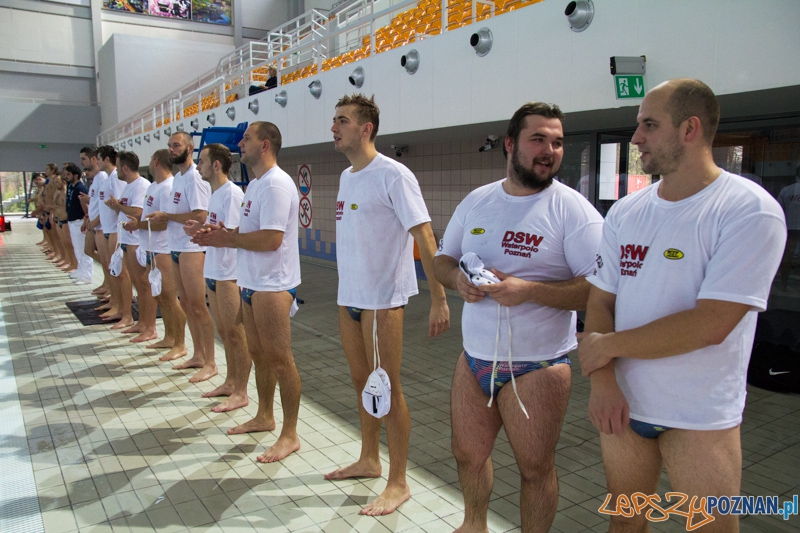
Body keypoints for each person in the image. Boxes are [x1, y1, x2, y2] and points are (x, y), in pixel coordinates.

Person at [578, 78, 786, 532]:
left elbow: (709, 325)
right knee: (625, 523)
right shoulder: (627, 212)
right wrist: (604, 382)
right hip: (625, 407)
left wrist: (606, 347)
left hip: (699, 417)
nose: (636, 138)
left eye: (649, 125)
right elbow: (600, 301)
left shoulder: (748, 211)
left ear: (690, 129)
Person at [433, 102, 603, 533]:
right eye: (538, 139)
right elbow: (441, 259)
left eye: (558, 142)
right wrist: (457, 281)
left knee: (534, 469)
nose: (550, 150)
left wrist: (528, 291)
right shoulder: (478, 201)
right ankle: (474, 524)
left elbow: (600, 290)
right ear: (510, 144)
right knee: (467, 453)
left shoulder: (573, 211)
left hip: (538, 364)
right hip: (474, 358)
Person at [324, 94, 450, 516]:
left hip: (382, 302)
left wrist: (438, 298)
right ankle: (369, 458)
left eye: (342, 120)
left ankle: (398, 481)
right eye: (334, 120)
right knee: (363, 385)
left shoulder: (393, 175)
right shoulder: (346, 177)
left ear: (366, 129)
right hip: (349, 299)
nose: (334, 127)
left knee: (388, 390)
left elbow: (425, 237)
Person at [193, 122, 302, 462]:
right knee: (259, 354)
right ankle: (265, 416)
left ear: (265, 145)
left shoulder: (276, 185)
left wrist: (229, 239)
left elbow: (272, 239)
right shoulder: (255, 185)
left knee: (282, 361)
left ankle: (290, 434)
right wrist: (224, 232)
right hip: (252, 282)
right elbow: (250, 231)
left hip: (274, 284)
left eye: (247, 138)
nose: (241, 143)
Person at [184, 143, 249, 412]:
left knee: (236, 334)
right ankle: (230, 381)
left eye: (202, 161)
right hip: (213, 269)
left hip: (229, 272)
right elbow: (218, 229)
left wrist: (207, 234)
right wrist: (201, 229)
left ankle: (242, 390)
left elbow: (234, 234)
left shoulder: (232, 194)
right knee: (224, 332)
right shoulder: (215, 194)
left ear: (217, 165)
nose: (197, 166)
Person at [147, 132, 215, 383]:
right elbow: (178, 212)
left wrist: (166, 216)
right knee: (186, 304)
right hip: (176, 246)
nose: (172, 150)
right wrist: (164, 217)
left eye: (176, 145)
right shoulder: (178, 178)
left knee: (198, 306)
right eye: (170, 146)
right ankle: (197, 354)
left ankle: (210, 361)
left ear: (190, 147)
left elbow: (200, 215)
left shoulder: (195, 178)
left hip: (191, 248)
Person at [128, 150, 187, 359]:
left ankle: (180, 343)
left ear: (155, 161)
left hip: (163, 248)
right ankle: (169, 336)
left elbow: (162, 223)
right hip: (150, 247)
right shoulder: (153, 186)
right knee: (160, 296)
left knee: (170, 298)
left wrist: (137, 225)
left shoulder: (168, 187)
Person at [106, 151, 155, 341]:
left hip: (136, 241)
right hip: (127, 240)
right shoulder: (128, 186)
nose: (116, 170)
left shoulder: (141, 186)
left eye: (117, 167)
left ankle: (150, 326)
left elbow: (137, 212)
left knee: (144, 285)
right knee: (138, 285)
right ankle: (142, 322)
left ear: (125, 168)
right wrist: (117, 205)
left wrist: (117, 206)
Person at [97, 146, 129, 323]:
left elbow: (120, 206)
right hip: (109, 229)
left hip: (116, 230)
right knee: (114, 271)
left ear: (107, 159)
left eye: (99, 158)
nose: (97, 162)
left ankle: (124, 311)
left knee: (120, 273)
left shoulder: (116, 178)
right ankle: (116, 303)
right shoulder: (109, 178)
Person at [80, 146, 111, 298]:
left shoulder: (104, 177)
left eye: (83, 159)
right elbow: (96, 202)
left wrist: (96, 219)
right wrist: (88, 217)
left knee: (108, 261)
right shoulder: (97, 179)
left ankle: (111, 285)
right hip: (95, 223)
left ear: (94, 159)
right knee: (89, 250)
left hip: (102, 225)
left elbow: (106, 203)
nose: (82, 162)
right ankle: (108, 282)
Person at [61, 162, 92, 284]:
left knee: (83, 250)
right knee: (77, 249)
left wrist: (86, 219)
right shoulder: (71, 187)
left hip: (80, 221)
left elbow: (85, 206)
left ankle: (87, 276)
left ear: (75, 175)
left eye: (68, 174)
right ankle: (81, 270)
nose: (66, 176)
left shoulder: (80, 188)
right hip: (72, 221)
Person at [777, 164, 800, 290]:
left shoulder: (786, 190)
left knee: (787, 258)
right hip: (791, 228)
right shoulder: (787, 190)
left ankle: (784, 284)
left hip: (789, 227)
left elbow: (779, 209)